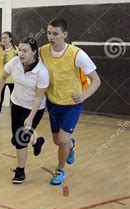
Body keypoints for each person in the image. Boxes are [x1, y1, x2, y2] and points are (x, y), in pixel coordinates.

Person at [41, 18, 101, 185]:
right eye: (48, 33)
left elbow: (96, 80)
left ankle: (60, 170)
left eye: (55, 34)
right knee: (57, 141)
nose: (51, 37)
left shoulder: (77, 54)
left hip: (71, 105)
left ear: (64, 34)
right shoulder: (43, 51)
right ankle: (71, 144)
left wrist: (84, 95)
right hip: (52, 103)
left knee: (61, 140)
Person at [0, 37, 48, 184]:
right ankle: (36, 141)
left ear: (34, 52)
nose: (21, 53)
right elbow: (2, 77)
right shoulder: (15, 62)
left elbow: (38, 97)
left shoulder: (41, 72)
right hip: (16, 104)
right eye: (20, 50)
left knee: (19, 139)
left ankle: (20, 171)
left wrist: (30, 117)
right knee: (17, 137)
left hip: (34, 108)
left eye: (25, 51)